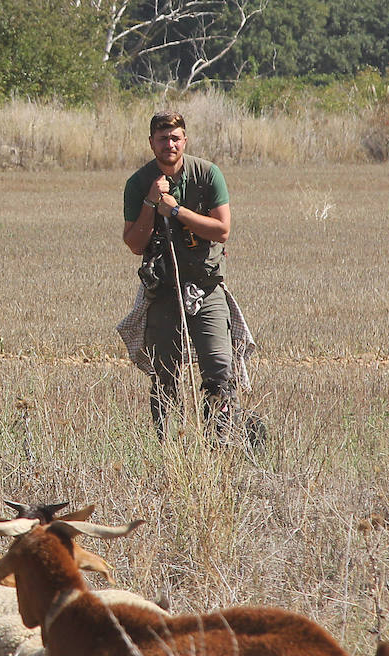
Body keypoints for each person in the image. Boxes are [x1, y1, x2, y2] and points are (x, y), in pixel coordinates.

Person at [119, 111, 253, 440]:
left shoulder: (207, 174)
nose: (169, 144)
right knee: (164, 375)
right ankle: (170, 446)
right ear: (151, 142)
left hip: (206, 288)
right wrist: (152, 202)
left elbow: (222, 230)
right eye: (162, 138)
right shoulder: (139, 183)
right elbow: (135, 244)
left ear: (185, 140)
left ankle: (220, 441)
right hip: (163, 291)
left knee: (220, 370)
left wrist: (177, 211)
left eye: (175, 138)